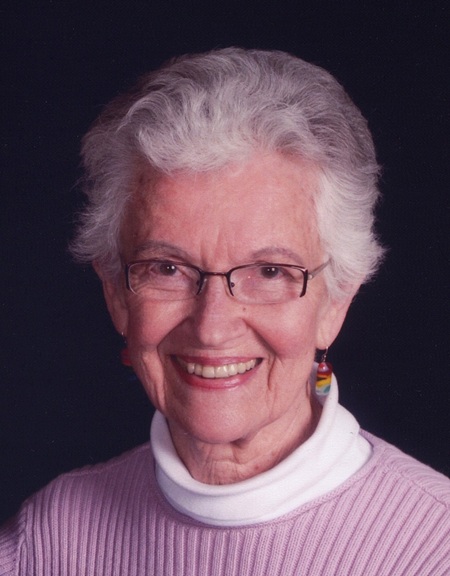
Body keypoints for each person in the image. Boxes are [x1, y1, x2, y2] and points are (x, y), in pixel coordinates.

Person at [1, 47, 449, 576]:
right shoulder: (47, 542)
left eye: (269, 272)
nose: (212, 328)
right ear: (116, 294)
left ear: (336, 300)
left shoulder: (434, 547)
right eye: (167, 268)